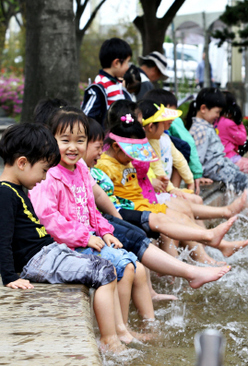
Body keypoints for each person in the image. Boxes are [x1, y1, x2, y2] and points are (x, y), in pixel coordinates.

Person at [0, 123, 130, 353]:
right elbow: (2, 238)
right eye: (42, 170)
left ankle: (118, 333)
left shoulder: (19, 188)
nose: (43, 178)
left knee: (106, 267)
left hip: (48, 253)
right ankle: (109, 340)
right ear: (22, 163)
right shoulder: (5, 193)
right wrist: (10, 276)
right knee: (104, 272)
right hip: (37, 261)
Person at [29, 108, 156, 327]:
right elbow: (47, 218)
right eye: (65, 140)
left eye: (80, 140)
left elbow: (91, 209)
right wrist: (85, 238)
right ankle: (119, 330)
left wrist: (105, 231)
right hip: (65, 246)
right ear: (51, 140)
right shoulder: (49, 174)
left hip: (88, 238)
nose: (73, 147)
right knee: (124, 266)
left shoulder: (80, 168)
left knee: (130, 264)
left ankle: (127, 327)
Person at [83, 118, 233, 296]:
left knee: (173, 219)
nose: (100, 153)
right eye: (97, 148)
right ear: (116, 147)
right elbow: (103, 197)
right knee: (157, 226)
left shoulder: (121, 163)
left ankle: (208, 245)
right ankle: (208, 239)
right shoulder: (103, 166)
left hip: (134, 206)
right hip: (124, 211)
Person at [142, 88, 209, 189]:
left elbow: (179, 159)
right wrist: (172, 189)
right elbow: (156, 168)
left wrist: (189, 180)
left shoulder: (165, 138)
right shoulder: (146, 143)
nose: (173, 119)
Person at [82, 38, 132, 125]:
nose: (128, 67)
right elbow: (87, 118)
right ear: (116, 63)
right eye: (127, 62)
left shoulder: (116, 83)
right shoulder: (100, 86)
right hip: (106, 137)